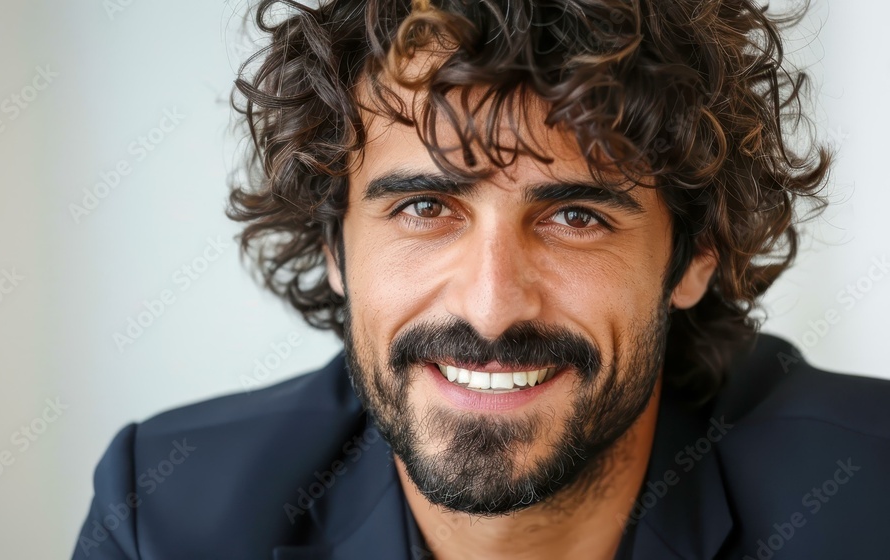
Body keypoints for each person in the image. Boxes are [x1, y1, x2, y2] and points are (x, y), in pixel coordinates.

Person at [72, 0, 890, 558]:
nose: (493, 308)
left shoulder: (867, 499)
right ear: (333, 242)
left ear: (696, 254)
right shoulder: (167, 519)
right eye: (426, 207)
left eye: (576, 218)